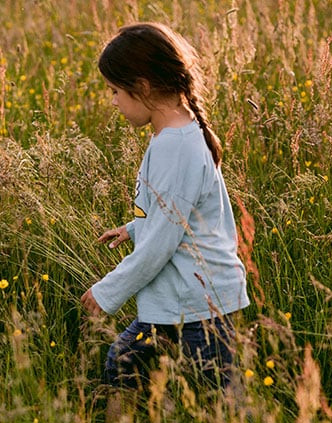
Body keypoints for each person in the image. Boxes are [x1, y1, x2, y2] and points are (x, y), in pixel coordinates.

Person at [81, 23, 249, 390]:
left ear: (142, 87)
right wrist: (134, 228)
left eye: (115, 91)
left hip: (199, 305)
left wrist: (108, 292)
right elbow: (178, 215)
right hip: (180, 298)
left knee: (217, 396)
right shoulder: (177, 134)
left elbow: (160, 243)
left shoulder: (176, 147)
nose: (113, 102)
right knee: (124, 364)